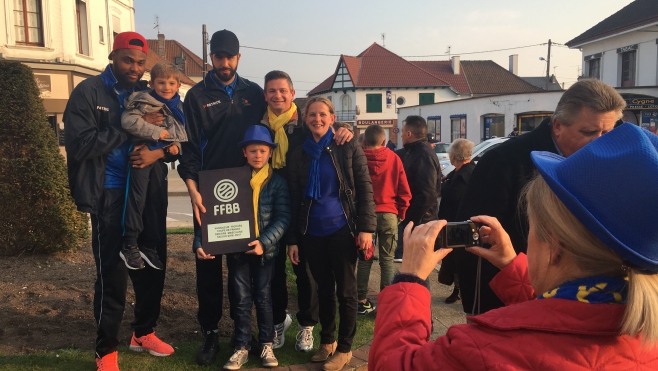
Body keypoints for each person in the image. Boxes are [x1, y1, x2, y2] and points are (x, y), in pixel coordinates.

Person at [369, 123, 658, 370]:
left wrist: (410, 280)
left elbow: (393, 363)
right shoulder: (642, 325)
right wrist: (511, 265)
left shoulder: (485, 348)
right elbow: (565, 321)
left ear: (555, 246)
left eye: (532, 226)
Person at [455, 79, 626, 315]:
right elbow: (474, 238)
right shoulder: (503, 161)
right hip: (507, 304)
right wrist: (481, 308)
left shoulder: (610, 163)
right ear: (557, 126)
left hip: (586, 304)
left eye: (607, 133)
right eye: (588, 132)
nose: (599, 142)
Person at [64, 32, 174, 371]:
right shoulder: (89, 91)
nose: (135, 68)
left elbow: (170, 140)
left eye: (141, 63)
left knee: (153, 266)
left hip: (148, 193)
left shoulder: (147, 92)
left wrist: (158, 153)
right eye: (129, 60)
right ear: (113, 56)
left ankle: (143, 333)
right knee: (112, 275)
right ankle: (106, 349)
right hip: (109, 194)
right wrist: (128, 130)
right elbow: (80, 145)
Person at [177, 29, 267, 367]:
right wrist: (192, 188)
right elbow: (188, 147)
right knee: (209, 266)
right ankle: (211, 333)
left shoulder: (253, 93)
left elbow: (270, 132)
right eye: (218, 56)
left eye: (230, 56)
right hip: (207, 190)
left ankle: (244, 333)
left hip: (247, 189)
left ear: (239, 58)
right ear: (210, 58)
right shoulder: (197, 96)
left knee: (243, 265)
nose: (224, 62)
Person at [259, 70, 353, 352]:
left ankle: (307, 325)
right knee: (271, 268)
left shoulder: (303, 126)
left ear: (291, 94)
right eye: (272, 91)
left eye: (282, 91)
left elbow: (328, 129)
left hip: (303, 203)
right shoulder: (258, 125)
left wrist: (348, 127)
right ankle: (277, 323)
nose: (277, 96)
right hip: (267, 197)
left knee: (307, 273)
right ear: (265, 95)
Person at [287, 97, 376, 371]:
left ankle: (345, 348)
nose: (317, 119)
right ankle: (328, 342)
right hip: (311, 232)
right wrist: (293, 239)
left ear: (332, 116)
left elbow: (364, 188)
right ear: (305, 119)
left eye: (322, 114)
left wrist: (366, 228)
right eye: (311, 115)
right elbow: (293, 198)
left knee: (347, 292)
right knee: (323, 290)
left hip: (342, 229)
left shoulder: (346, 145)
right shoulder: (299, 151)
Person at [222, 125, 291, 370]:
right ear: (244, 153)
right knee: (240, 300)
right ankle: (241, 346)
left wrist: (264, 242)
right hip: (238, 251)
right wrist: (204, 242)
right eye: (253, 151)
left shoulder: (278, 183)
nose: (258, 155)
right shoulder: (232, 179)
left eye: (262, 151)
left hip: (265, 253)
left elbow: (282, 218)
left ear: (270, 153)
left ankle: (266, 343)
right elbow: (217, 215)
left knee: (263, 298)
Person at [119, 61, 187, 271]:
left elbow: (180, 133)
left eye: (171, 83)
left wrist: (174, 147)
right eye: (161, 82)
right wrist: (157, 133)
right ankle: (129, 243)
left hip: (158, 161)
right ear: (151, 83)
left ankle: (148, 246)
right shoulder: (143, 102)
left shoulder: (177, 106)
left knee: (156, 204)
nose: (166, 87)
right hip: (140, 155)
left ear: (177, 86)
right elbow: (128, 122)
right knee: (136, 199)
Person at [356, 124, 411, 315]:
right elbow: (404, 189)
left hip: (365, 215)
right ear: (384, 141)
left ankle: (361, 300)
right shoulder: (394, 158)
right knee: (387, 260)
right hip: (389, 213)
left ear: (364, 141)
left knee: (364, 259)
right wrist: (401, 212)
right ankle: (386, 303)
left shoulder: (359, 158)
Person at [393, 116, 441, 262]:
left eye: (402, 132)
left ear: (409, 134)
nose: (400, 135)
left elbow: (427, 193)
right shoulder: (414, 152)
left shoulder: (423, 155)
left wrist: (412, 219)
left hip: (422, 221)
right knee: (412, 264)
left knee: (418, 264)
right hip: (417, 219)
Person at [436, 138, 475, 304]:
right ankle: (458, 289)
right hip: (457, 221)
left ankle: (460, 290)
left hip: (459, 223)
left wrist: (442, 187)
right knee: (455, 258)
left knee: (458, 258)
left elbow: (452, 194)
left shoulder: (465, 173)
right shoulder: (460, 170)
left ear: (455, 156)